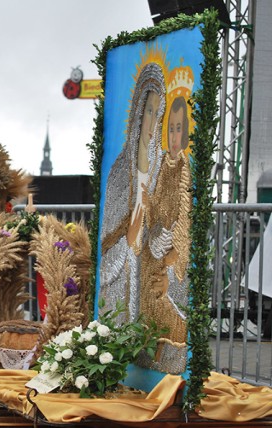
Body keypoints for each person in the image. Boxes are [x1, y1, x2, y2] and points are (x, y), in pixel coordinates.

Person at [99, 61, 166, 324]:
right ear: (139, 112)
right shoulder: (120, 170)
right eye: (148, 110)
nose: (152, 120)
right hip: (121, 266)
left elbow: (164, 220)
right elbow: (109, 233)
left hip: (148, 263)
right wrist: (128, 238)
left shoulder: (161, 165)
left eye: (157, 113)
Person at [139, 70, 194, 374]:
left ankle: (172, 381)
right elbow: (156, 210)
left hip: (170, 267)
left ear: (185, 132)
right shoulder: (162, 166)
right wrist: (149, 211)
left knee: (171, 329)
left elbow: (184, 223)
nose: (174, 137)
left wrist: (172, 263)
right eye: (170, 129)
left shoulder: (185, 169)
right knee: (149, 324)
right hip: (152, 259)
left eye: (179, 129)